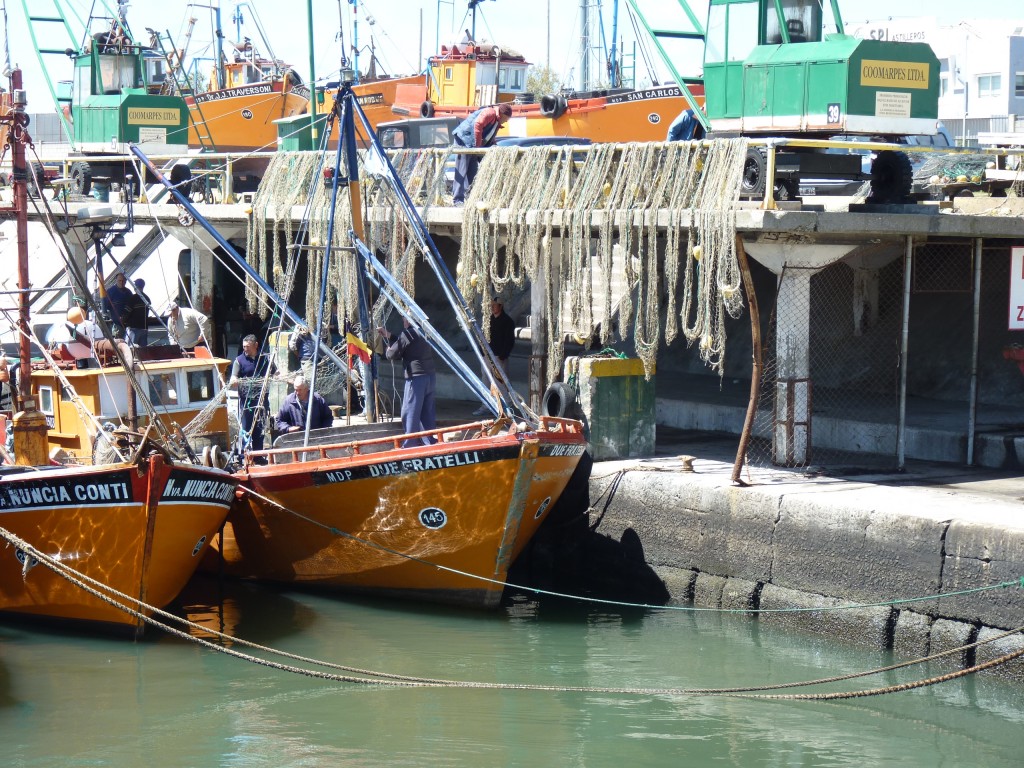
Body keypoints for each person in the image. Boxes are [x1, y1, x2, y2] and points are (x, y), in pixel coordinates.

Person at [379, 318, 437, 448]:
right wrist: (389, 335)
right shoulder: (425, 331)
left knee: (410, 411)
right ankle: (429, 440)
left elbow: (392, 354)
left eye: (404, 319)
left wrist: (388, 350)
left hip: (416, 378)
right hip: (430, 376)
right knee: (426, 411)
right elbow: (406, 342)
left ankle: (410, 443)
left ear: (409, 321)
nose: (403, 322)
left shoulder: (407, 333)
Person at [452, 102, 512, 204]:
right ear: (502, 114)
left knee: (473, 172)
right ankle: (457, 199)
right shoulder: (490, 113)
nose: (506, 121)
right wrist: (478, 147)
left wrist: (493, 147)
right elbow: (478, 124)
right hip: (464, 140)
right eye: (506, 119)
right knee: (462, 170)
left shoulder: (497, 121)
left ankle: (472, 199)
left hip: (473, 145)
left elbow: (489, 137)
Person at [229, 333, 277, 454]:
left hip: (262, 399)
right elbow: (234, 376)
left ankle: (258, 454)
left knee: (260, 428)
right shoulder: (239, 360)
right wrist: (233, 380)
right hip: (247, 401)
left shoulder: (265, 358)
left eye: (248, 347)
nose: (245, 349)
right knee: (246, 428)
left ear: (256, 345)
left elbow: (276, 372)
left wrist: (279, 376)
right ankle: (244, 455)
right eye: (244, 346)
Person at [474, 296, 516, 416]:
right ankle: (486, 405)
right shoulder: (489, 320)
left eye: (494, 305)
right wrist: (481, 351)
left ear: (500, 306)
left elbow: (509, 341)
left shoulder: (507, 321)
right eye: (491, 305)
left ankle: (508, 406)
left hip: (498, 356)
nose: (492, 308)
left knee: (500, 382)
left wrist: (503, 355)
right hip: (487, 355)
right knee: (486, 380)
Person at [124, 278, 151, 347]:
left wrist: (123, 320)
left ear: (135, 286)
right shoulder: (147, 299)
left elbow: (126, 313)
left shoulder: (133, 299)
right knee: (143, 351)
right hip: (144, 328)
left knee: (131, 350)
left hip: (133, 329)